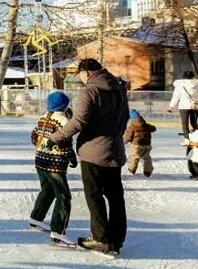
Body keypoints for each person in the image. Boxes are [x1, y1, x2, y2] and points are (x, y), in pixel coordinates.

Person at [48, 58, 128, 256]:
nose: (81, 79)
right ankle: (116, 239)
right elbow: (125, 117)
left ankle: (101, 239)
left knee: (94, 195)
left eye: (80, 75)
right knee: (115, 196)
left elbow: (78, 122)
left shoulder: (90, 91)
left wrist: (55, 138)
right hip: (115, 150)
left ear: (86, 72)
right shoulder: (119, 89)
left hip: (93, 153)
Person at [28, 91, 76, 246]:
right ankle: (58, 233)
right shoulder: (63, 120)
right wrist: (71, 156)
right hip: (54, 163)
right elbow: (65, 141)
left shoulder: (44, 117)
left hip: (40, 160)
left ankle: (36, 218)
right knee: (63, 196)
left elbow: (33, 137)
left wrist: (42, 148)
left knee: (47, 190)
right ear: (65, 105)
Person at [124, 109, 157, 177]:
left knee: (133, 158)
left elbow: (128, 138)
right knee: (146, 158)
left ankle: (131, 170)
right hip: (147, 145)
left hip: (136, 146)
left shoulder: (132, 127)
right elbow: (154, 128)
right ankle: (148, 171)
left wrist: (123, 142)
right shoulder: (145, 125)